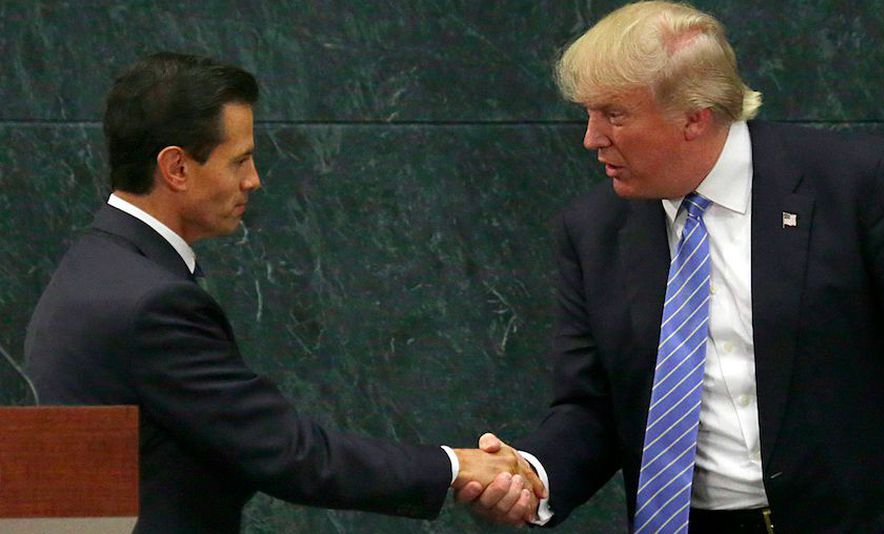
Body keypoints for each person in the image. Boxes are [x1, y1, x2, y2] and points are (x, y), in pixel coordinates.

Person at [456, 1, 884, 532]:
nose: (591, 138)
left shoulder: (855, 184)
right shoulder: (594, 230)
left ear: (695, 116)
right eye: (589, 113)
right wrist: (532, 477)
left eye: (614, 115)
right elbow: (594, 405)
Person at [23, 52, 544, 533]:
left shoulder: (93, 268)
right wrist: (456, 465)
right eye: (239, 160)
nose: (254, 180)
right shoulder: (152, 303)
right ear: (176, 168)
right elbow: (291, 454)